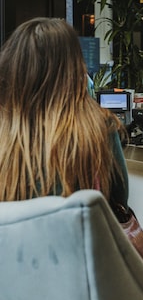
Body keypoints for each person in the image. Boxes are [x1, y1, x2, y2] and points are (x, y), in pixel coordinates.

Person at [0, 17, 128, 208]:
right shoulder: (99, 126)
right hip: (78, 228)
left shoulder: (5, 130)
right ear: (74, 66)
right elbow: (119, 200)